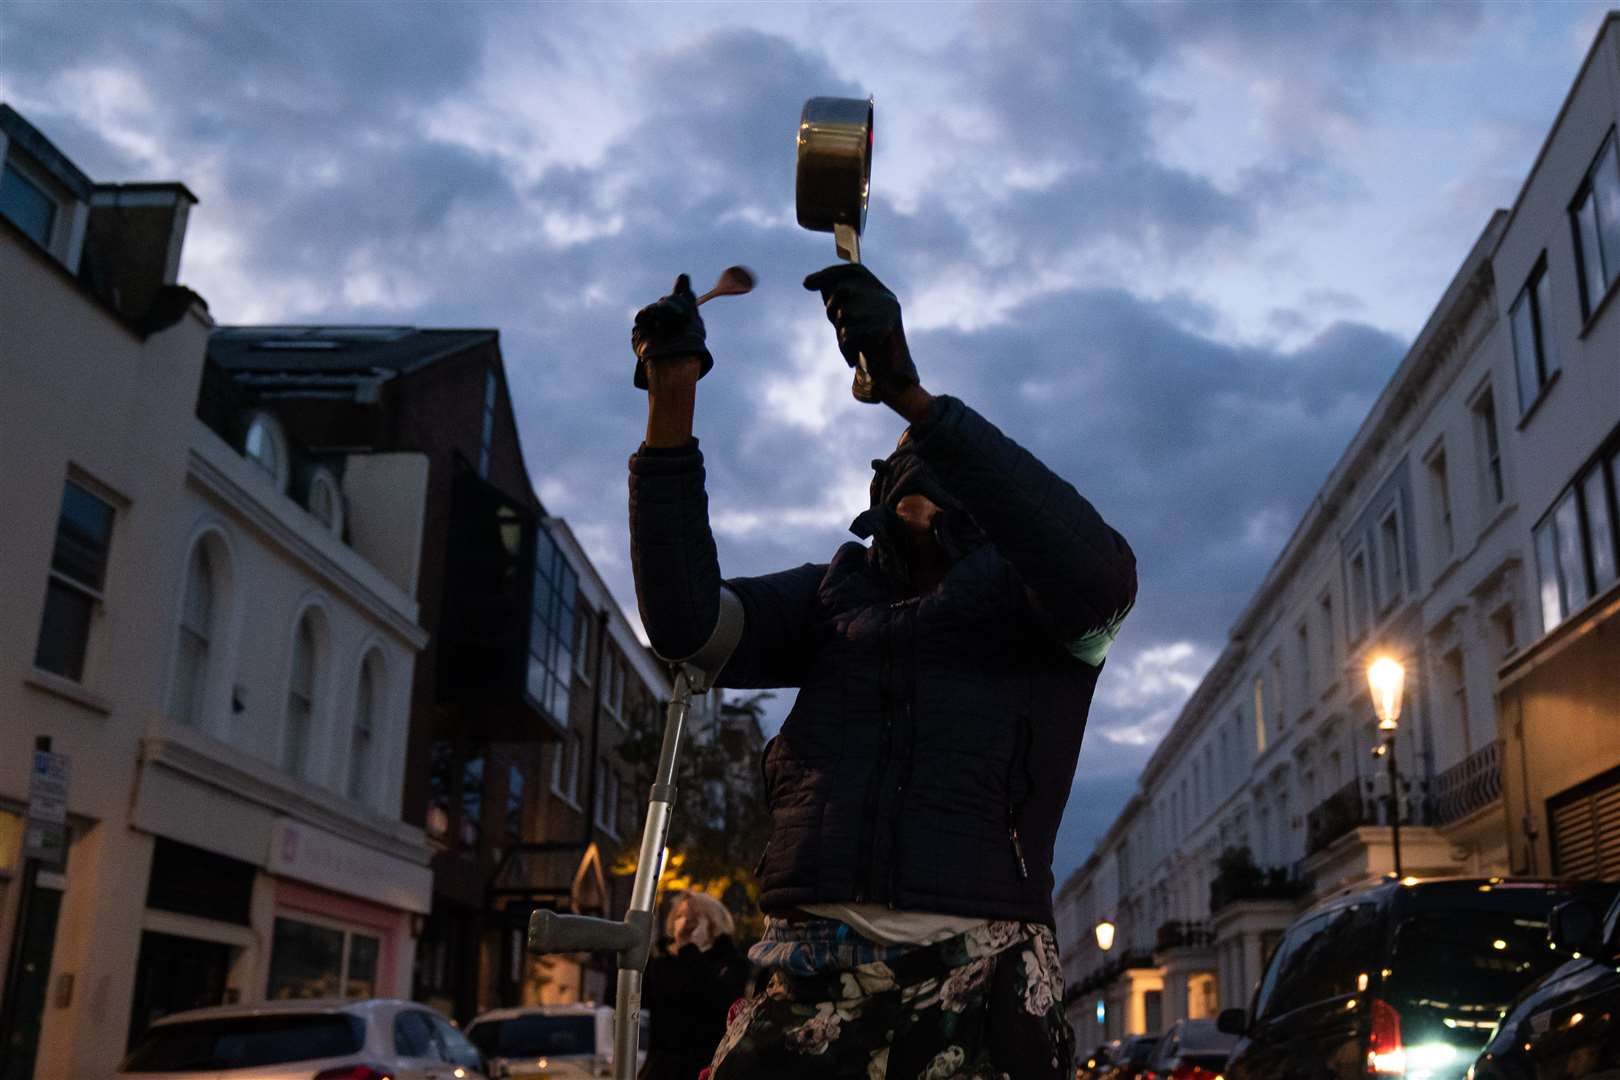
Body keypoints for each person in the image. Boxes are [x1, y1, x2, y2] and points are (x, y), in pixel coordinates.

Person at [626, 264, 1137, 1080]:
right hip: (805, 977)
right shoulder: (831, 595)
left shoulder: (1043, 607)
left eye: (935, 453)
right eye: (903, 452)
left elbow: (1101, 575)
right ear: (876, 488)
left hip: (979, 973)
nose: (919, 466)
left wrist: (910, 395)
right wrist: (671, 400)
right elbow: (686, 627)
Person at [639, 891, 752, 1080]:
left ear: (713, 922)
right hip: (663, 1068)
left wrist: (690, 950)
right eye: (681, 916)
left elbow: (717, 1001)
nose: (686, 925)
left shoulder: (731, 962)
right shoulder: (663, 960)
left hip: (705, 1065)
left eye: (695, 918)